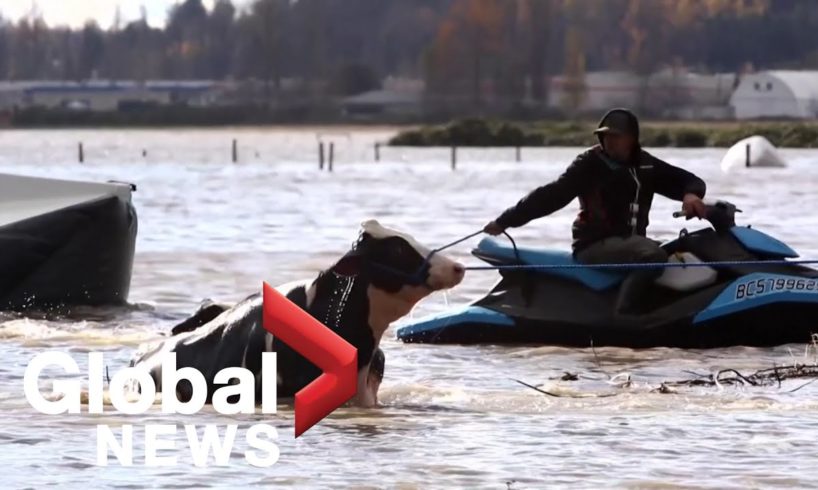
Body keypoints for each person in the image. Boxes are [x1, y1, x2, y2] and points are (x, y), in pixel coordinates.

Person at [483, 108, 707, 317]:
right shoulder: (589, 164)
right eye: (605, 136)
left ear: (631, 139)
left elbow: (688, 180)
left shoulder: (645, 165)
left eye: (616, 137)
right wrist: (505, 220)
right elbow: (550, 196)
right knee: (653, 256)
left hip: (630, 243)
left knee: (678, 249)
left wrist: (691, 195)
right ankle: (625, 315)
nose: (610, 142)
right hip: (594, 245)